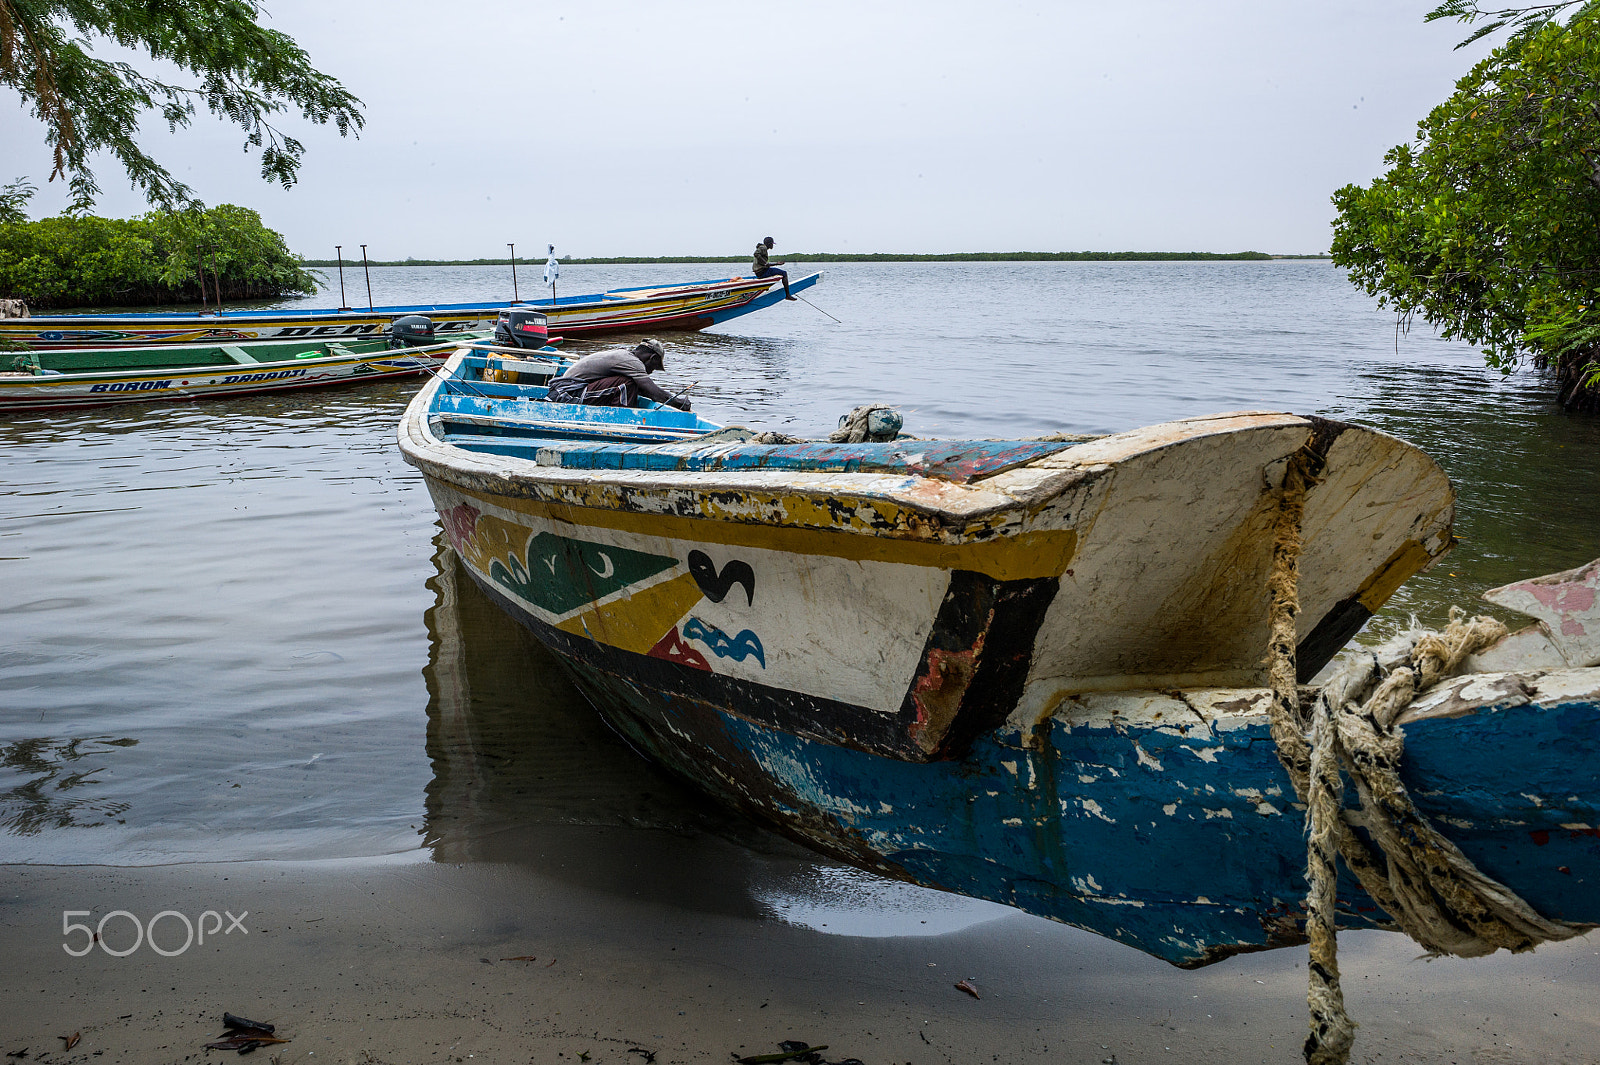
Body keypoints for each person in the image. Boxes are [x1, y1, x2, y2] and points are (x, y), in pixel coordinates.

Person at [543, 338, 691, 410]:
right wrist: (677, 402)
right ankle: (622, 420)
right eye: (654, 367)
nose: (651, 372)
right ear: (652, 358)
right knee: (627, 384)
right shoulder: (633, 362)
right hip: (569, 393)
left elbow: (648, 392)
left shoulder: (624, 355)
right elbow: (653, 391)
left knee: (632, 385)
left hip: (567, 390)